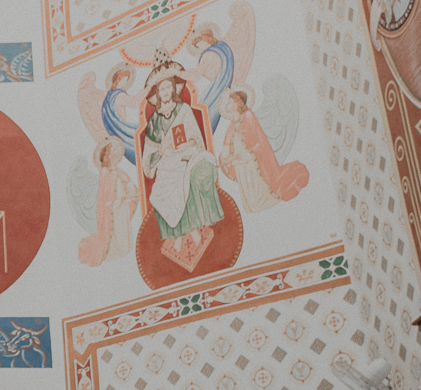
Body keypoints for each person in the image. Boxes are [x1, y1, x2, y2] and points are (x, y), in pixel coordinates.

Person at [137, 53, 224, 257]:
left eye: (168, 87)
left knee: (186, 178)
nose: (165, 92)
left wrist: (186, 146)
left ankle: (191, 230)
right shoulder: (154, 121)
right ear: (158, 94)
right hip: (167, 161)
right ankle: (177, 233)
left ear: (174, 89)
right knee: (158, 193)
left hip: (185, 155)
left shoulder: (183, 110)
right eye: (161, 89)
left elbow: (195, 138)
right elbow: (149, 153)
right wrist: (160, 151)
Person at [218, 88, 308, 212]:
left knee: (257, 202)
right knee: (251, 205)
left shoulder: (248, 116)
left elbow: (258, 145)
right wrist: (225, 157)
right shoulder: (233, 123)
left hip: (252, 164)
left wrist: (237, 157)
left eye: (229, 102)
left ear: (237, 104)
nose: (226, 105)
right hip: (241, 166)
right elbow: (227, 144)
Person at [78, 137, 137, 266]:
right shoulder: (105, 173)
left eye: (114, 152)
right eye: (109, 153)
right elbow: (105, 199)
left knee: (126, 247)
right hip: (114, 210)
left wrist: (131, 193)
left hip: (122, 209)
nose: (113, 155)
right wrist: (121, 199)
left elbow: (128, 184)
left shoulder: (118, 171)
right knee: (121, 248)